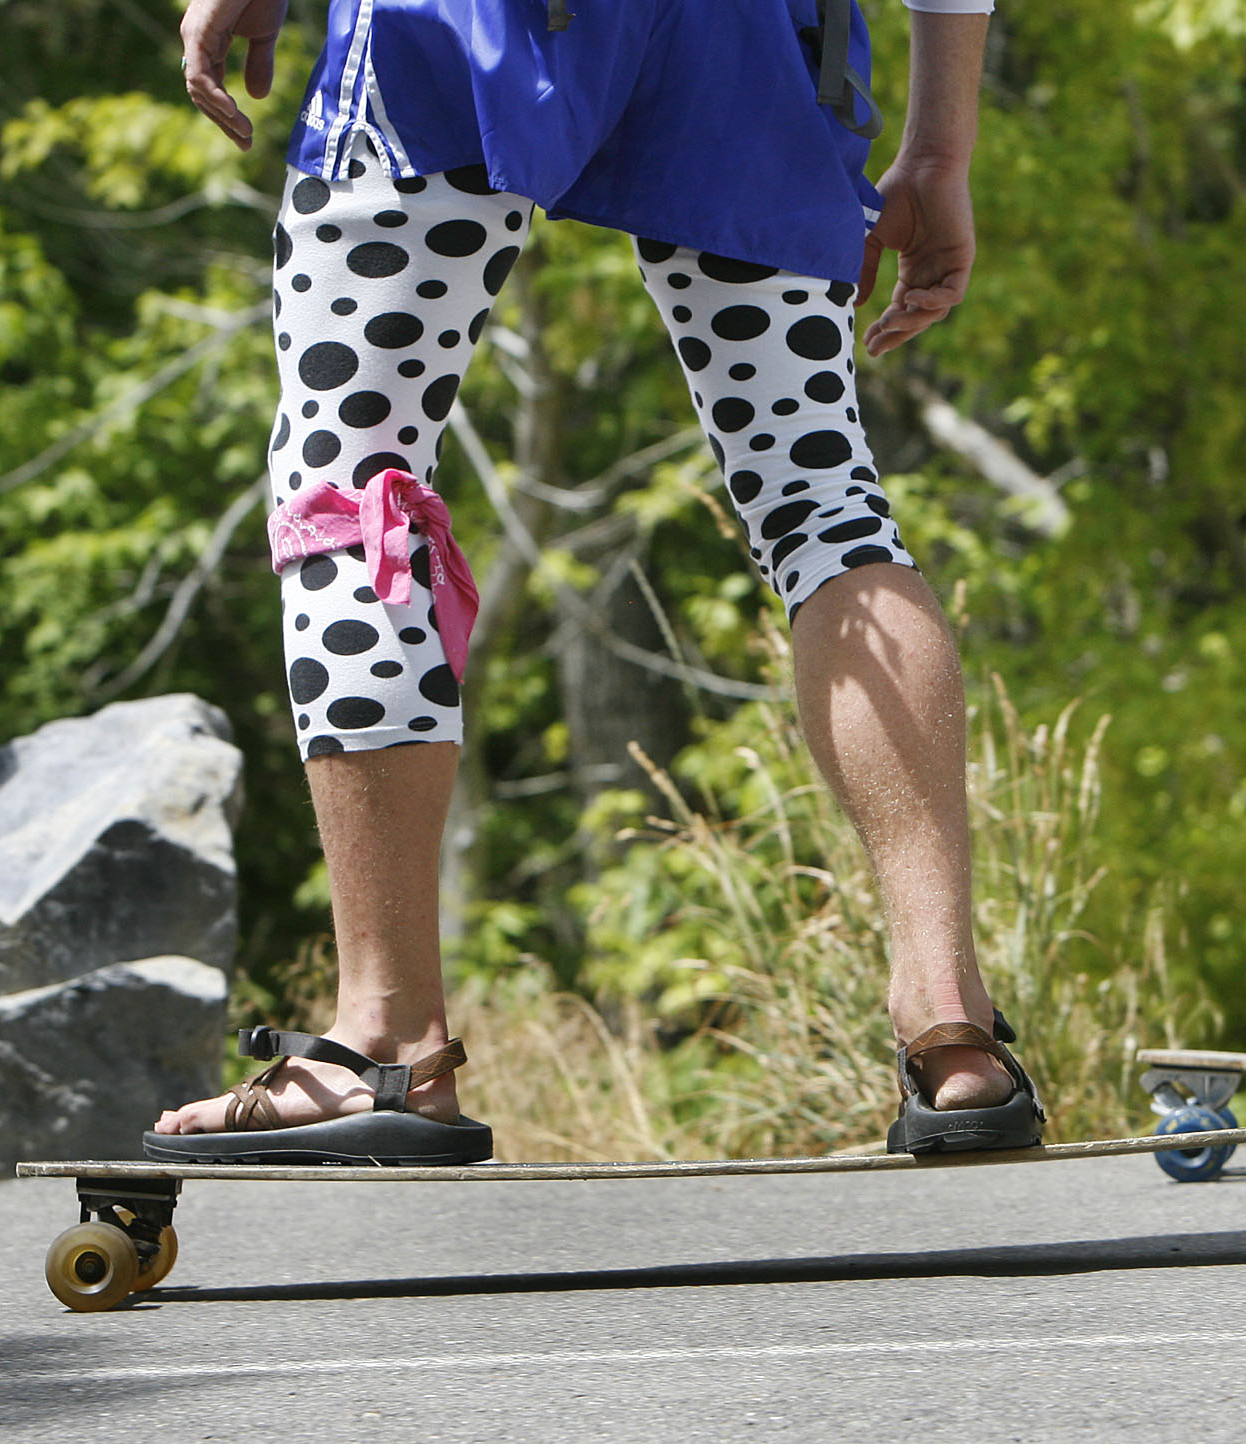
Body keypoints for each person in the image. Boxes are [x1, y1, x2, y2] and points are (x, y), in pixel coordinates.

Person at [147, 0, 1043, 1164]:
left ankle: (385, 1044)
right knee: (818, 492)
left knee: (354, 473)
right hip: (758, 37)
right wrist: (942, 144)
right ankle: (950, 1024)